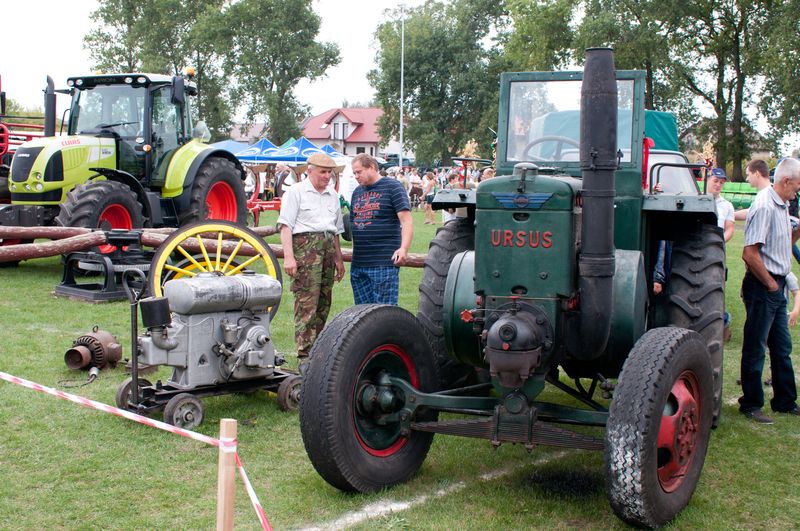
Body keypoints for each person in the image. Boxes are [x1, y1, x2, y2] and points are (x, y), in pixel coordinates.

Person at [739, 157, 800, 423]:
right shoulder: (764, 205)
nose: (797, 192)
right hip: (763, 285)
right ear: (786, 181)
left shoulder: (782, 205)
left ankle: (785, 402)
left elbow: (782, 243)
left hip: (776, 285)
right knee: (756, 346)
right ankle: (750, 404)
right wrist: (772, 284)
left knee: (781, 347)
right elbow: (749, 254)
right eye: (797, 187)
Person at [276, 152, 345, 366]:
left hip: (327, 249)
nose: (327, 177)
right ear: (310, 171)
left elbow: (335, 231)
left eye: (330, 173)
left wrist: (339, 259)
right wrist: (289, 257)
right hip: (305, 250)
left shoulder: (332, 195)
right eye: (323, 172)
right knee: (307, 303)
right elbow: (286, 226)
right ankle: (305, 356)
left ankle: (319, 350)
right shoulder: (296, 192)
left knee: (324, 302)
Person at [349, 153, 413, 305]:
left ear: (371, 167)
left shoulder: (393, 187)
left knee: (384, 313)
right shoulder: (357, 192)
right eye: (354, 173)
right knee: (361, 315)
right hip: (359, 263)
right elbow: (353, 224)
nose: (356, 176)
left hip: (384, 262)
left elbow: (407, 221)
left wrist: (403, 249)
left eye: (359, 172)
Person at [707, 167, 735, 340]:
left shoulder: (727, 206)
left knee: (715, 285)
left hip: (716, 251)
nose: (718, 185)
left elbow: (730, 229)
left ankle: (722, 320)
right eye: (715, 181)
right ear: (707, 179)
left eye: (721, 183)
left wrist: (719, 242)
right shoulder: (697, 198)